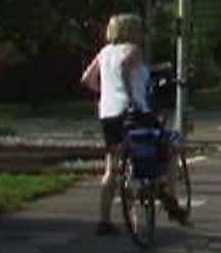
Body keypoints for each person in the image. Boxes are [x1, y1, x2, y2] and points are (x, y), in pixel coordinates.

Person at [80, 13, 187, 235]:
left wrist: (105, 93)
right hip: (133, 112)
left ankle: (104, 221)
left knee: (111, 166)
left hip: (108, 113)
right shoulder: (133, 50)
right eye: (138, 29)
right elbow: (124, 68)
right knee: (169, 146)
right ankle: (171, 197)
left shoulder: (103, 53)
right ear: (130, 31)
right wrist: (129, 97)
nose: (142, 34)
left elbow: (87, 80)